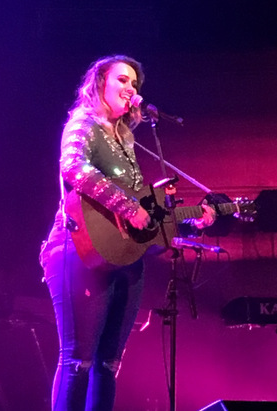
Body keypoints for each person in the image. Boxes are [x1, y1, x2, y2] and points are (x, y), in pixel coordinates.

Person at [39, 55, 215, 411]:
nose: (130, 88)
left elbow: (142, 211)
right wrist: (128, 206)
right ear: (99, 83)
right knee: (79, 360)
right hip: (78, 250)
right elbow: (73, 167)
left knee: (109, 363)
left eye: (134, 83)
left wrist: (190, 219)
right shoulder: (83, 123)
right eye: (122, 80)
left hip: (123, 255)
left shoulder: (126, 139)